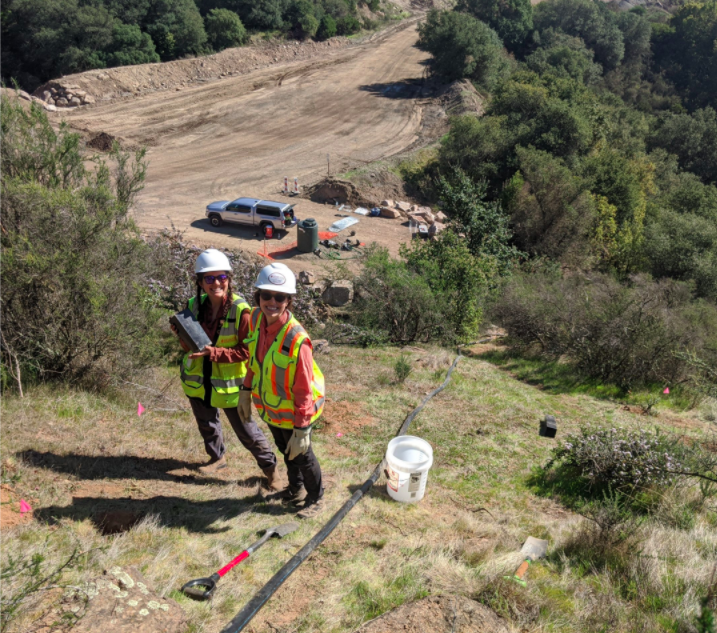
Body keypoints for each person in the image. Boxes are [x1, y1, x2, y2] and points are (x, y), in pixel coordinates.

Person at [173, 248, 281, 490]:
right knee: (207, 423)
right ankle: (216, 458)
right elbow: (189, 346)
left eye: (221, 277)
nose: (216, 283)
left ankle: (272, 471)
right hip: (198, 382)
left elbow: (247, 351)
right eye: (209, 279)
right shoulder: (193, 304)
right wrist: (181, 335)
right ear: (200, 282)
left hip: (231, 387)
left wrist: (216, 354)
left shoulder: (241, 311)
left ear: (229, 278)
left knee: (248, 432)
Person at [239, 263, 326, 519]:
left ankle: (316, 498)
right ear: (258, 298)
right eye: (266, 295)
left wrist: (302, 429)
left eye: (279, 297)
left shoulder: (298, 341)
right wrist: (246, 389)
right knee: (286, 452)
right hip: (273, 409)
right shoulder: (256, 320)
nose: (272, 302)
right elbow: (255, 360)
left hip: (296, 413)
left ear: (288, 300)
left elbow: (303, 391)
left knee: (302, 456)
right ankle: (295, 489)